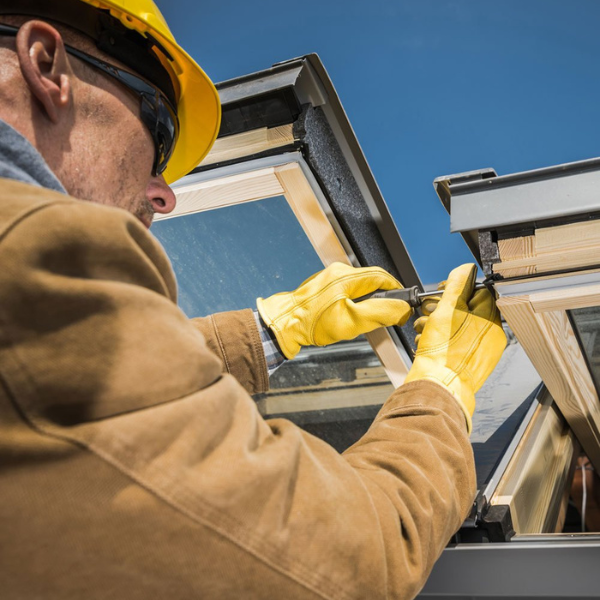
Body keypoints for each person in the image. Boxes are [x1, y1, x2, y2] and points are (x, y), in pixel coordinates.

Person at [0, 1, 507, 599]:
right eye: (158, 128)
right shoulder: (34, 256)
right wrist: (439, 395)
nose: (165, 196)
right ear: (46, 65)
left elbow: (74, 386)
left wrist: (273, 329)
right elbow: (345, 561)